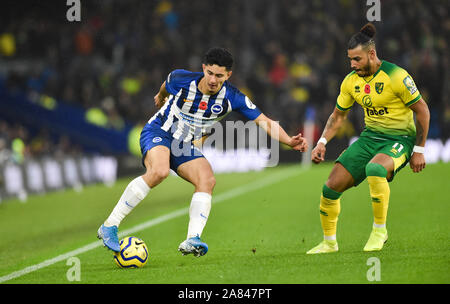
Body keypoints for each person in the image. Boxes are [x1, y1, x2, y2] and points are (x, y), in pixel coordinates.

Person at [98, 47, 308, 257]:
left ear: (228, 75)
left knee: (207, 180)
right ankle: (110, 225)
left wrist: (289, 140)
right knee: (159, 171)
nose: (213, 80)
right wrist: (161, 96)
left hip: (183, 145)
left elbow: (265, 122)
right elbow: (166, 83)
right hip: (159, 131)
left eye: (219, 75)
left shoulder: (233, 98)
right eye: (210, 73)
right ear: (204, 68)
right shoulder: (182, 79)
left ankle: (192, 239)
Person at [307, 23, 430, 254]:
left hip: (399, 138)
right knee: (330, 188)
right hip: (369, 138)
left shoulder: (397, 76)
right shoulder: (350, 81)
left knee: (375, 169)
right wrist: (322, 142)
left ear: (371, 54)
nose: (353, 65)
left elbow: (422, 111)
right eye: (350, 60)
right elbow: (338, 117)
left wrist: (419, 150)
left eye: (357, 59)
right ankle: (329, 243)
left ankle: (379, 231)